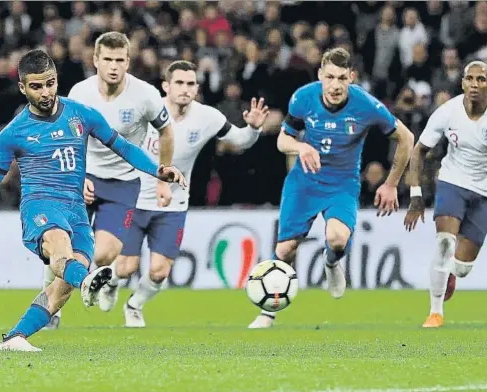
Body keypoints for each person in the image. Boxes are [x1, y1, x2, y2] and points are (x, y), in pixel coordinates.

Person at [0, 50, 186, 351]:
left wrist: (158, 170)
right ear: (23, 87)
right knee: (60, 250)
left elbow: (122, 147)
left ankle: (15, 338)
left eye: (50, 83)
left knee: (61, 289)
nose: (45, 92)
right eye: (36, 86)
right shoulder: (14, 133)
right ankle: (87, 281)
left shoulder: (81, 115)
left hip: (76, 212)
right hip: (41, 209)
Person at [248, 47, 415, 329]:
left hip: (342, 183)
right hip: (305, 182)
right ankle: (267, 314)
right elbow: (282, 141)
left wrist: (390, 184)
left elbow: (406, 138)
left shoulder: (366, 105)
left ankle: (331, 262)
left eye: (341, 78)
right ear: (320, 75)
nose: (335, 85)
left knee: (337, 237)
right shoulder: (303, 98)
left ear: (351, 77)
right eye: (329, 77)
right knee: (286, 249)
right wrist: (301, 146)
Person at [112, 60, 269, 327]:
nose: (185, 89)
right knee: (126, 268)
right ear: (166, 86)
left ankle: (134, 305)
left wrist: (253, 129)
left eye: (190, 84)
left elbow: (241, 141)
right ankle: (111, 283)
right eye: (179, 83)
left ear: (196, 88)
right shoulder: (145, 110)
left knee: (160, 272)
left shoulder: (208, 117)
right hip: (135, 198)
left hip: (174, 202)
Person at [41, 32, 176, 328]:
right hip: (82, 177)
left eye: (119, 60)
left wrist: (163, 178)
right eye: (108, 60)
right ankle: (50, 308)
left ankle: (99, 283)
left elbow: (166, 131)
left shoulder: (146, 95)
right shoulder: (79, 93)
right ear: (95, 61)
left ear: (128, 62)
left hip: (123, 183)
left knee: (102, 254)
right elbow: (64, 139)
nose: (113, 66)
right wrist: (76, 177)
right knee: (60, 245)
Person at [404, 60, 487, 328]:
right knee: (444, 243)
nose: (475, 84)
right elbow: (418, 150)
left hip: (484, 192)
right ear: (462, 82)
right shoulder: (448, 111)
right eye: (470, 79)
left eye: (481, 79)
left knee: (462, 267)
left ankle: (451, 272)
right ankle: (435, 312)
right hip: (453, 181)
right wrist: (416, 195)